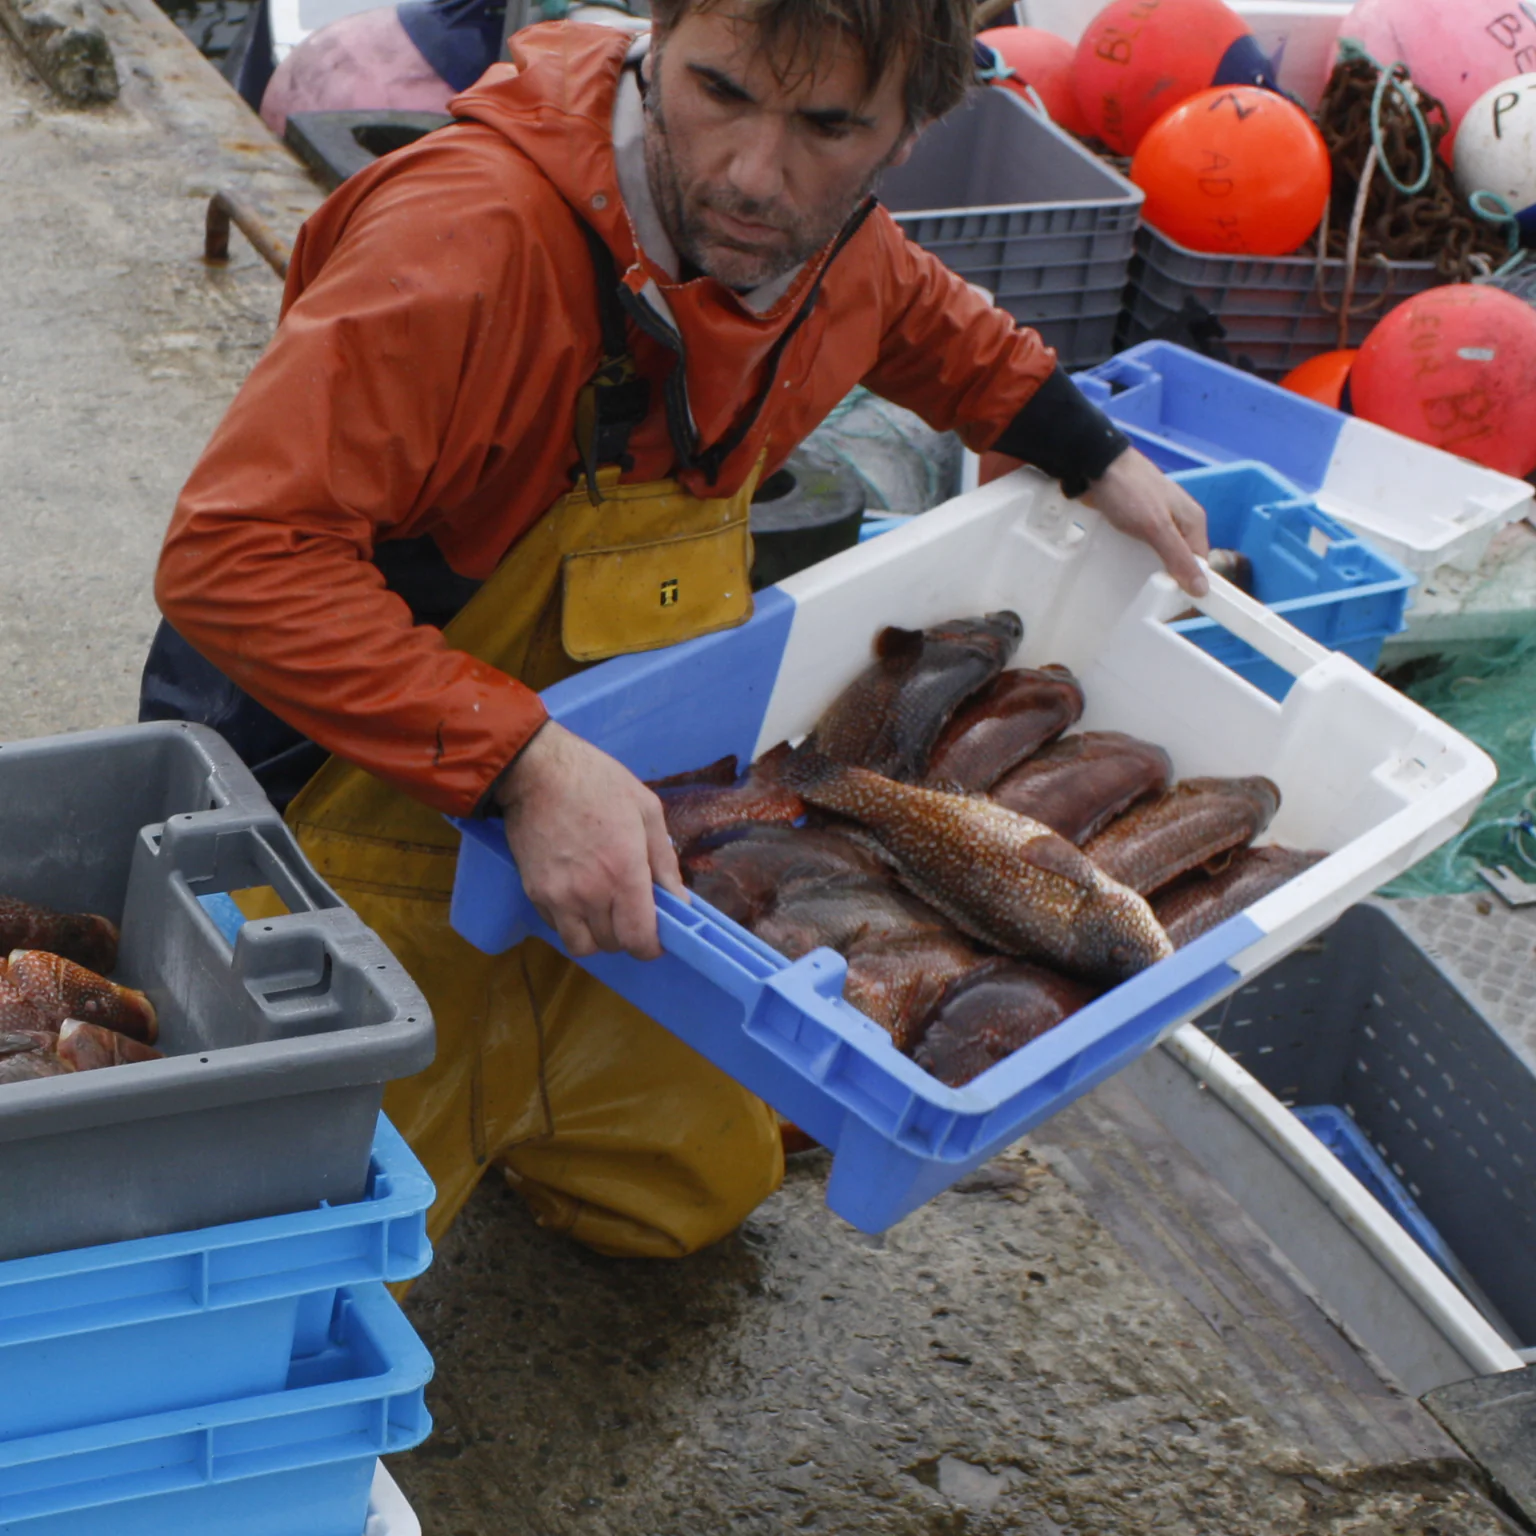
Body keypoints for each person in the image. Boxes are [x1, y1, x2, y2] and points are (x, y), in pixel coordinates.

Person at [145, 0, 1211, 1259]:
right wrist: (522, 763)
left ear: (911, 133)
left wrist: (1095, 457)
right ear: (660, 35)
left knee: (696, 1196)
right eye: (717, 93)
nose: (755, 174)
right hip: (339, 818)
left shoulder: (829, 249)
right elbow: (233, 558)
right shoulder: (464, 244)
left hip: (613, 851)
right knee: (293, 1270)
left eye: (826, 126)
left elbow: (924, 315)